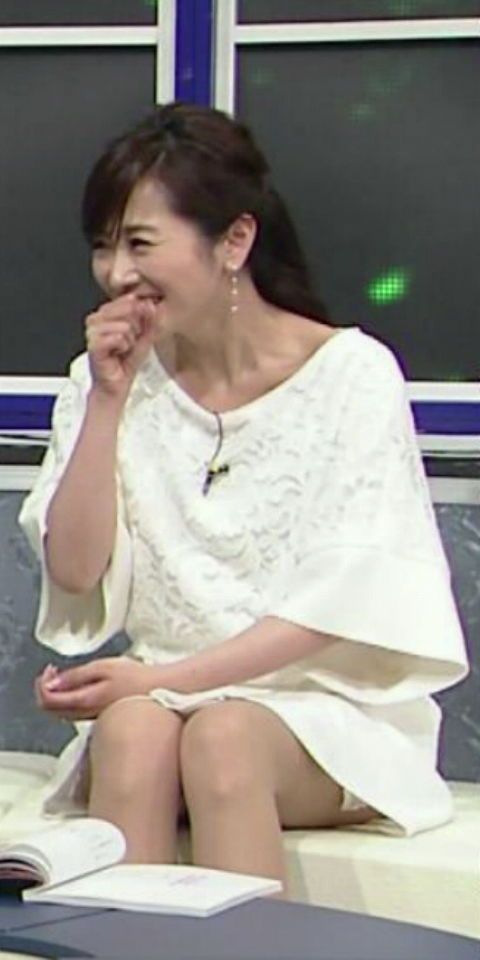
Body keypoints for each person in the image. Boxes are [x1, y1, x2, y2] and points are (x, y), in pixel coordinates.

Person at [19, 101, 467, 891]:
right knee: (131, 733)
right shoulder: (101, 379)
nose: (117, 273)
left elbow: (336, 609)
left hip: (324, 714)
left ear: (234, 241)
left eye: (140, 244)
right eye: (102, 246)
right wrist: (109, 401)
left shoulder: (352, 375)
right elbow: (76, 572)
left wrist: (166, 680)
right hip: (159, 703)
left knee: (222, 738)